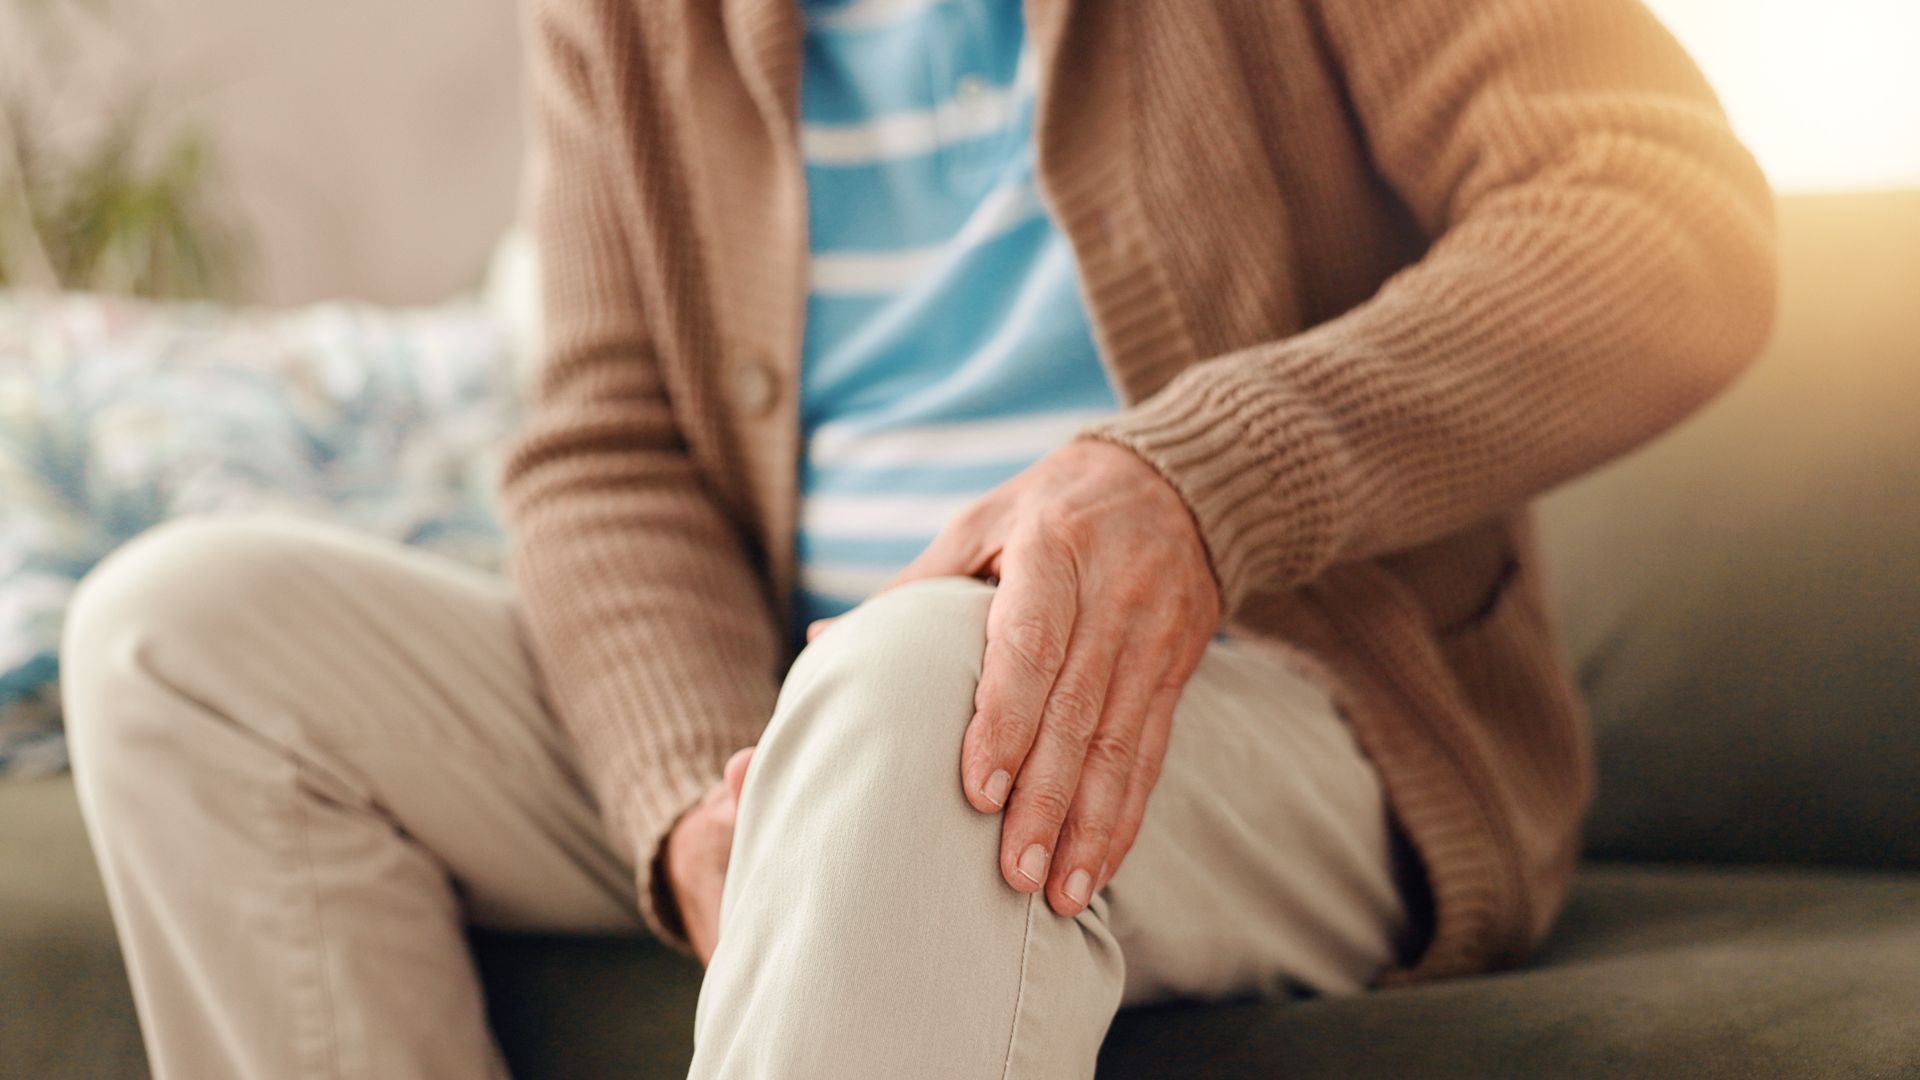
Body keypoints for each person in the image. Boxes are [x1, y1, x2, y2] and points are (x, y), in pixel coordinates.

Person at [59, 0, 1776, 1076]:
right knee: (181, 634)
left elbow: (1659, 210)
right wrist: (684, 801)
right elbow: (606, 442)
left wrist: (1196, 480)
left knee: (919, 695)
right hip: (802, 707)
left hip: (1284, 704)